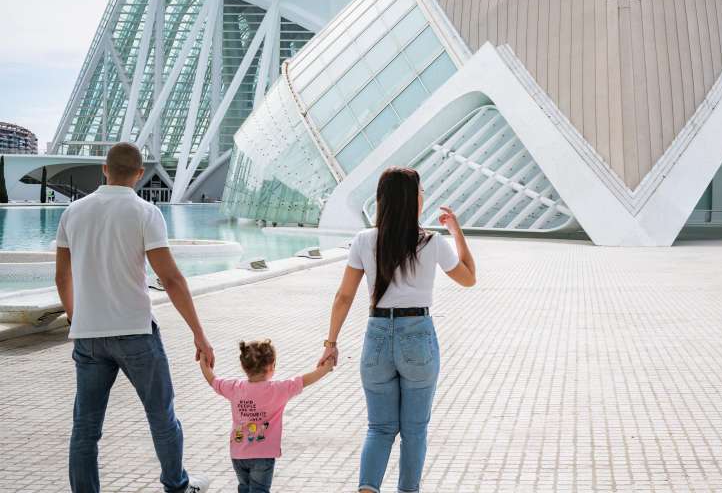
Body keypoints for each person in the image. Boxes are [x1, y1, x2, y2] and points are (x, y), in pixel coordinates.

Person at [55, 141, 212, 493]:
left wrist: (75, 318)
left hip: (88, 337)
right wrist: (198, 333)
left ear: (104, 169)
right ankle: (176, 485)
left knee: (85, 428)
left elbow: (62, 277)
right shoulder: (145, 212)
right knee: (161, 417)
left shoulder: (72, 212)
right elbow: (170, 279)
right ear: (140, 174)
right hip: (136, 333)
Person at [318, 167, 477, 493]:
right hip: (418, 335)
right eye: (421, 191)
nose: (423, 197)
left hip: (376, 335)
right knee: (414, 431)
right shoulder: (431, 241)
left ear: (383, 200)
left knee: (379, 428)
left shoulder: (364, 240)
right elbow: (468, 278)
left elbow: (344, 296)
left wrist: (330, 342)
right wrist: (457, 232)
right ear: (412, 200)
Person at [200, 339, 334, 493]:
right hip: (263, 455)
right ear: (271, 367)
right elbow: (304, 381)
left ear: (244, 366)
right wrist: (325, 368)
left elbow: (213, 380)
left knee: (244, 488)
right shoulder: (278, 389)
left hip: (238, 454)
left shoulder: (234, 388)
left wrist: (204, 362)